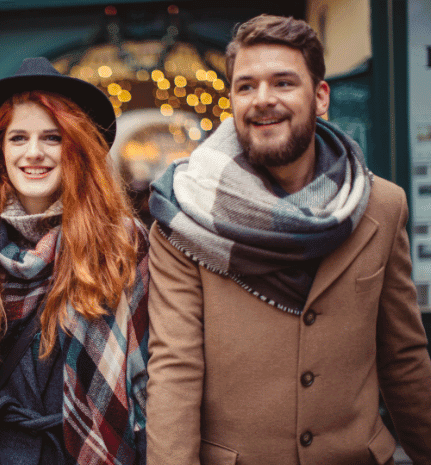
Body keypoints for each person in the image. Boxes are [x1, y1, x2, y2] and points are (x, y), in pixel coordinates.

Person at [146, 14, 431, 465]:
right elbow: (173, 372)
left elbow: (404, 360)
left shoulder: (382, 206)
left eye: (282, 83)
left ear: (319, 97)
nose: (263, 100)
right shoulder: (185, 215)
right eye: (246, 86)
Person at [0, 57, 150, 465]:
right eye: (18, 138)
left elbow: (152, 370)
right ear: (0, 151)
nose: (34, 153)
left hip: (92, 451)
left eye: (52, 138)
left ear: (76, 147)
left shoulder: (121, 241)